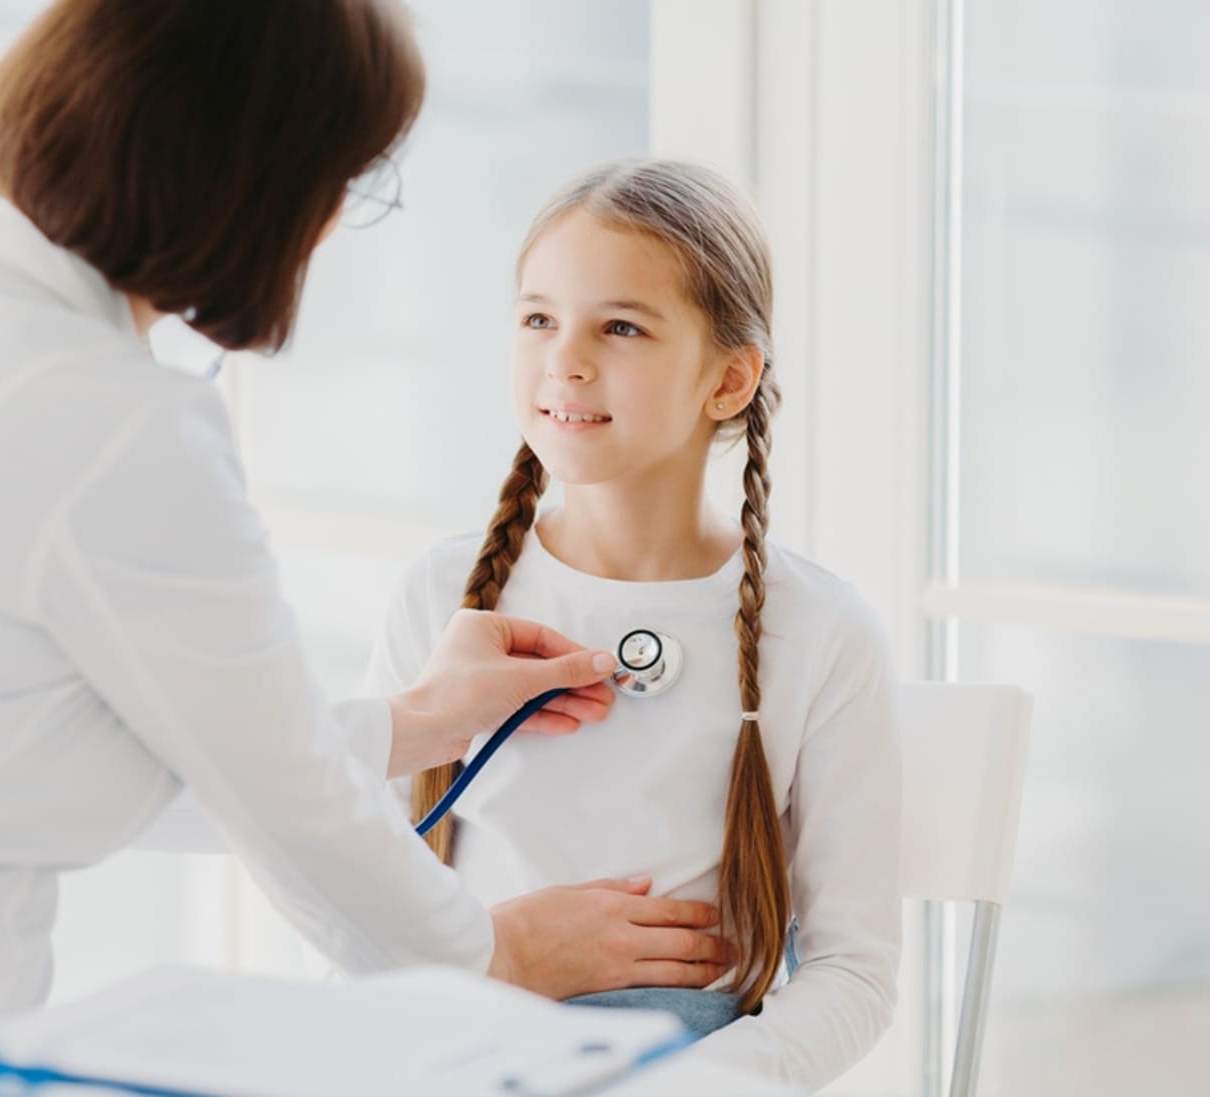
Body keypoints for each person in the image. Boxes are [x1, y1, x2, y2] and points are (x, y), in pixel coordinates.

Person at [0, 5, 734, 1087]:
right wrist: (495, 950)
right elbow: (288, 807)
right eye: (340, 184)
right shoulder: (111, 424)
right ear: (259, 182)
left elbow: (41, 731)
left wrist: (414, 721)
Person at [373, 160, 902, 1088]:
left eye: (620, 326)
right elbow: (357, 913)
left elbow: (854, 974)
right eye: (539, 318)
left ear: (730, 380)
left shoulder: (820, 631)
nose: (564, 360)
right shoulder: (440, 596)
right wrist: (494, 959)